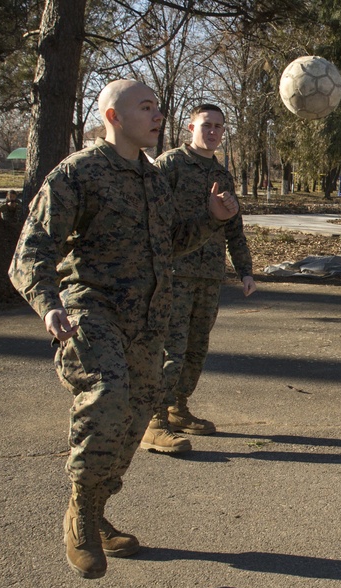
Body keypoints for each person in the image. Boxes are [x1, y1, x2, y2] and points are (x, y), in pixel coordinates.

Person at [7, 79, 238, 579]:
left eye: (158, 107)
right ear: (113, 117)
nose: (158, 116)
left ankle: (94, 506)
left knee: (135, 418)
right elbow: (30, 251)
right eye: (147, 107)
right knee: (108, 396)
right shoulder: (79, 173)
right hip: (92, 312)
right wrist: (47, 304)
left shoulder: (153, 178)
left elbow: (168, 243)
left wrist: (210, 220)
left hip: (147, 321)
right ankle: (84, 517)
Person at [140, 103, 255, 455]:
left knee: (196, 348)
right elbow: (152, 218)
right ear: (190, 127)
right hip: (174, 272)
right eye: (207, 125)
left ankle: (178, 407)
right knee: (170, 348)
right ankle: (153, 420)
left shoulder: (222, 173)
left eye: (219, 127)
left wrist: (245, 269)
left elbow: (233, 226)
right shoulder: (170, 165)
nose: (213, 132)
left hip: (208, 275)